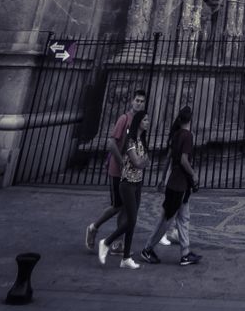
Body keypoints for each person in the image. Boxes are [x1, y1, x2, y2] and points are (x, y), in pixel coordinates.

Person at [139, 105, 201, 266]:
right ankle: (147, 249)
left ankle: (185, 253)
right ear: (190, 119)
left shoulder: (175, 135)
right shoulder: (187, 135)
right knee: (166, 219)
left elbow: (168, 158)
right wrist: (194, 175)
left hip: (178, 184)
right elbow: (183, 160)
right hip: (179, 185)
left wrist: (162, 179)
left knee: (183, 218)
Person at [86, 89, 146, 253]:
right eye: (137, 100)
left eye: (142, 101)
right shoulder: (124, 119)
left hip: (131, 172)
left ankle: (118, 244)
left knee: (126, 208)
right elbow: (111, 144)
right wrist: (122, 163)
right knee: (118, 206)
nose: (139, 103)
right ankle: (94, 227)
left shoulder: (139, 122)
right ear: (131, 101)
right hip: (118, 171)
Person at [98, 110, 149, 269]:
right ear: (139, 122)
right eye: (145, 120)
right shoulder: (131, 140)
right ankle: (106, 242)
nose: (148, 122)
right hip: (127, 183)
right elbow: (138, 162)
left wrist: (143, 162)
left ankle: (126, 258)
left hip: (138, 183)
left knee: (132, 222)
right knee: (131, 220)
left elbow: (144, 161)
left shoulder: (141, 140)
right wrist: (142, 162)